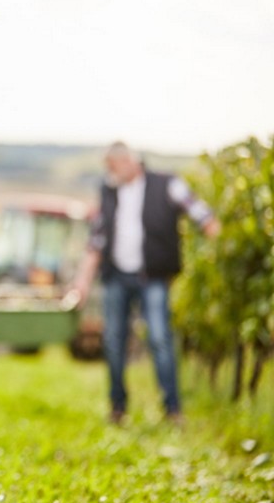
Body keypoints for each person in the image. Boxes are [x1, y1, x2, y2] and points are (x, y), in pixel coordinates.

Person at [72, 141, 218, 425]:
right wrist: (83, 280)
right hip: (117, 276)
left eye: (113, 167)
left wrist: (214, 231)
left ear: (129, 162)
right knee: (114, 341)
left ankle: (173, 409)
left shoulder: (165, 184)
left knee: (160, 338)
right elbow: (97, 238)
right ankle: (118, 407)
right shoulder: (110, 191)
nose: (110, 173)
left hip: (152, 276)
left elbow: (197, 209)